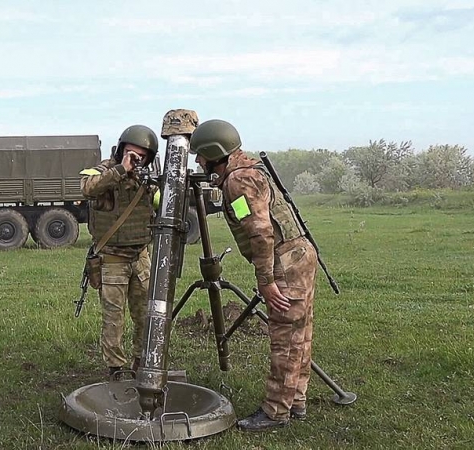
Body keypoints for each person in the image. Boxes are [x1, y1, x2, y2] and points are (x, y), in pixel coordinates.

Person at [189, 119, 318, 431]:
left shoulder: (239, 182)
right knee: (299, 335)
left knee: (285, 339)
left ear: (213, 152)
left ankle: (276, 411)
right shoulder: (247, 171)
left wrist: (266, 280)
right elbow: (253, 221)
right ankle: (295, 400)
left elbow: (260, 233)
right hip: (299, 256)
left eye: (200, 156)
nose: (198, 162)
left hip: (284, 263)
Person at [80, 125, 159, 377]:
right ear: (121, 149)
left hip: (140, 257)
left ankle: (140, 361)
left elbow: (161, 203)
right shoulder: (104, 170)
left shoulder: (147, 179)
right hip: (112, 259)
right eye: (130, 153)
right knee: (114, 320)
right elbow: (87, 187)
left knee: (146, 315)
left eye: (141, 157)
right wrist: (120, 170)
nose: (135, 160)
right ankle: (116, 368)